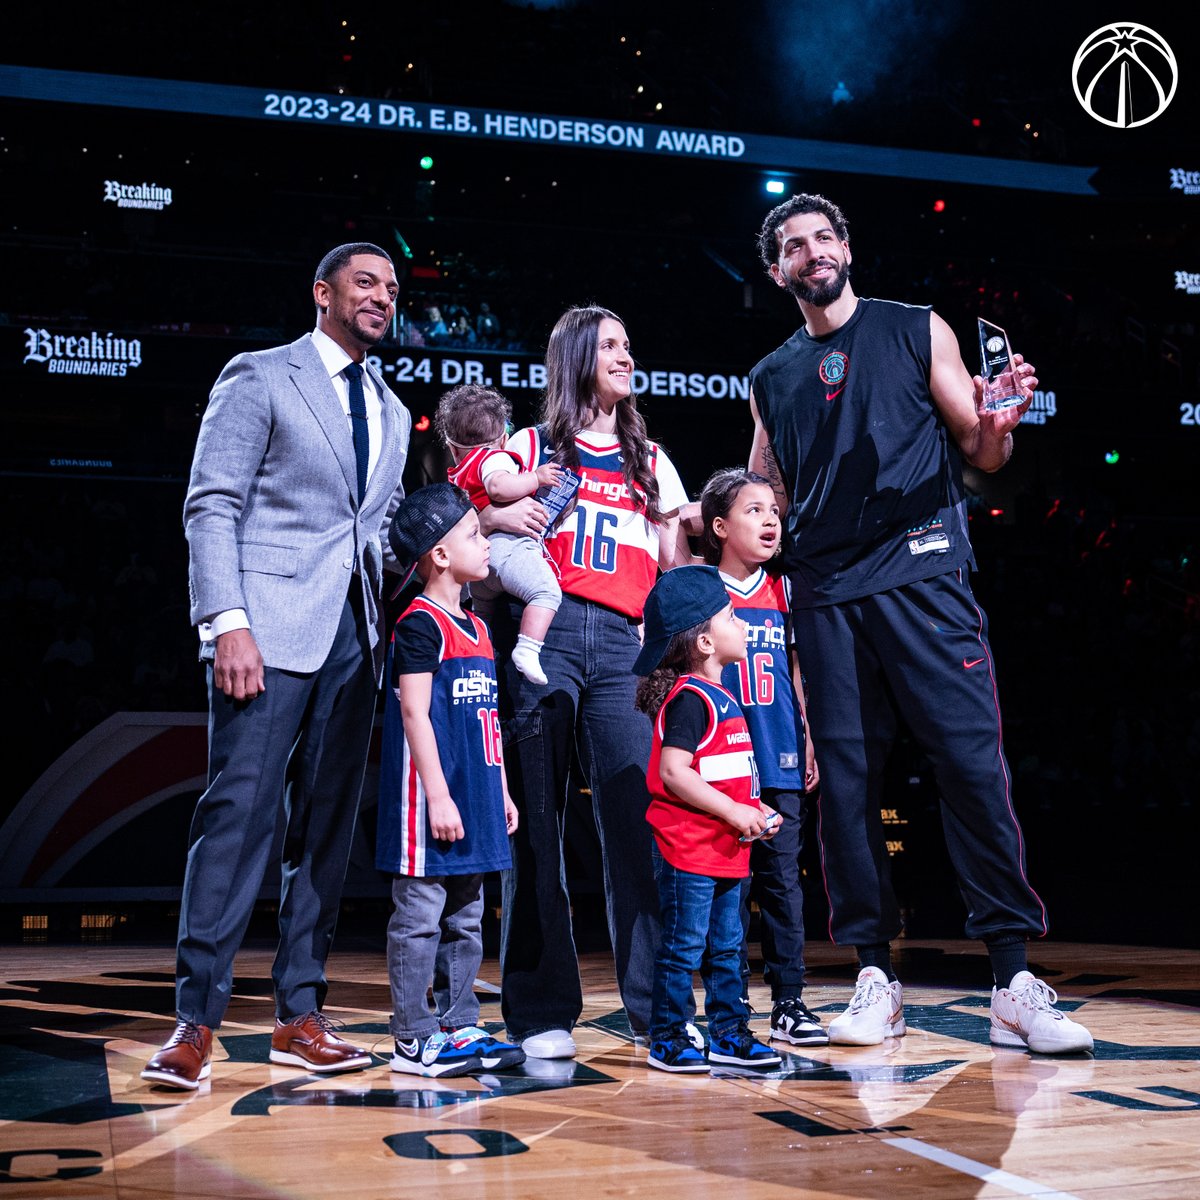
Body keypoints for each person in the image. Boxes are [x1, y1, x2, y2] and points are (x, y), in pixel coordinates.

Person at [747, 192, 1093, 1054]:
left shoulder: (914, 327)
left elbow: (980, 447)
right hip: (825, 594)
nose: (812, 252)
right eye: (794, 246)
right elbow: (769, 500)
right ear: (778, 270)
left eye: (824, 237)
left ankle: (1012, 978)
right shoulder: (771, 377)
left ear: (847, 248)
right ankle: (874, 976)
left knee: (971, 765)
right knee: (847, 791)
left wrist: (999, 426)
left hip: (925, 569)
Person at [142, 243, 412, 1089]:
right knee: (239, 819)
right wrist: (227, 622)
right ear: (323, 293)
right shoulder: (260, 375)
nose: (381, 298)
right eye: (365, 284)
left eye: (392, 289)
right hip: (267, 628)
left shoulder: (395, 412)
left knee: (325, 835)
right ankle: (195, 1022)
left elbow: (380, 530)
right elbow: (211, 501)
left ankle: (299, 1014)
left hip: (356, 639)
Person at [489, 305, 693, 1059]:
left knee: (639, 827)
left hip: (620, 647)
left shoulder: (651, 462)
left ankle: (657, 1008)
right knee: (537, 828)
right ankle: (542, 1012)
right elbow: (483, 530)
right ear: (576, 355)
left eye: (629, 345)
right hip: (544, 634)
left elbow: (674, 573)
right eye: (610, 344)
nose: (625, 355)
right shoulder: (531, 445)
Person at [377, 482, 525, 1078]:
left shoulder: (480, 629)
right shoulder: (419, 624)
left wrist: (503, 792)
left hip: (476, 798)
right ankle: (412, 1037)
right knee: (419, 917)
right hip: (429, 802)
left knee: (466, 917)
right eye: (472, 534)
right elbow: (413, 713)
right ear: (438, 555)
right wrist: (437, 794)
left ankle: (460, 1023)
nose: (485, 542)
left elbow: (486, 722)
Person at [635, 566, 783, 1073]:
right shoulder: (690, 699)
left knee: (728, 949)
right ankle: (670, 1038)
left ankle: (729, 1034)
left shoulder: (724, 699)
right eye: (731, 617)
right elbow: (675, 773)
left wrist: (755, 809)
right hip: (690, 852)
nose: (742, 625)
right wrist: (734, 811)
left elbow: (721, 775)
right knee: (684, 948)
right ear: (703, 641)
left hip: (727, 852)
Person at [699, 467, 826, 1047]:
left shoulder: (785, 589)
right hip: (721, 766)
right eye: (754, 511)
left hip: (777, 758)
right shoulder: (700, 590)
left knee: (782, 883)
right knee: (727, 888)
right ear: (720, 526)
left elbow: (796, 673)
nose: (770, 519)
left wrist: (807, 738)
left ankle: (790, 1000)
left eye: (774, 510)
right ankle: (728, 1002)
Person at [436, 384, 570, 686]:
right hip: (507, 550)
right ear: (504, 439)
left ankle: (484, 654)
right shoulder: (494, 458)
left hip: (477, 566)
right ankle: (528, 648)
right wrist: (535, 477)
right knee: (546, 592)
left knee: (483, 617)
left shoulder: (458, 473)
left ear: (452, 446)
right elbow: (498, 486)